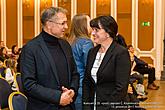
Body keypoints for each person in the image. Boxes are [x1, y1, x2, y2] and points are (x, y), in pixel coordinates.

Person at [20, 7, 79, 110]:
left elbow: (75, 73)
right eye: (62, 23)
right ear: (49, 24)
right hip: (43, 107)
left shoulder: (65, 45)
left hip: (68, 105)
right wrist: (57, 97)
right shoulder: (31, 48)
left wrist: (72, 91)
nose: (66, 26)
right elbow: (29, 84)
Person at [82, 15, 131, 110]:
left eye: (96, 30)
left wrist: (106, 107)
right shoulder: (92, 52)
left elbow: (121, 88)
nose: (92, 33)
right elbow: (87, 82)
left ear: (108, 33)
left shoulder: (120, 53)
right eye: (92, 30)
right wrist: (86, 106)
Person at [68, 14, 94, 110]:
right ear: (83, 25)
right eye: (89, 23)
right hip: (83, 87)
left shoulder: (70, 41)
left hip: (72, 86)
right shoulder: (86, 42)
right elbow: (90, 67)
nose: (91, 26)